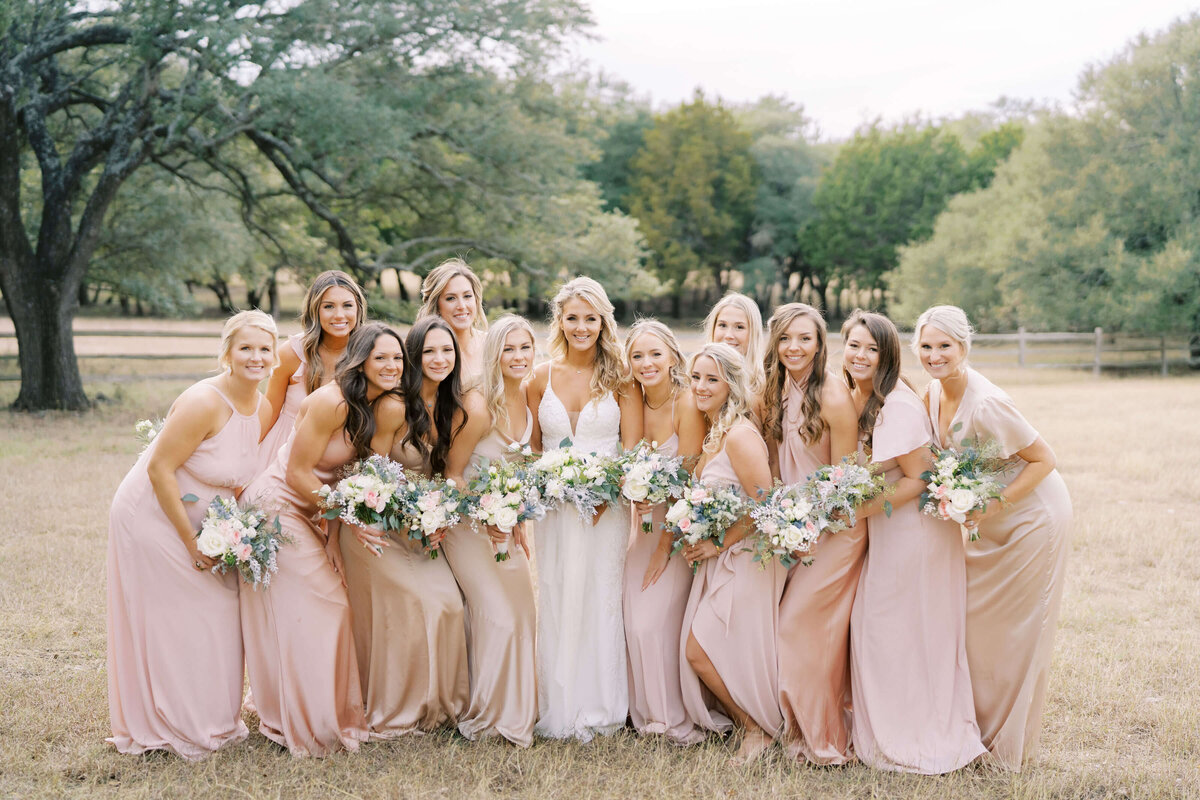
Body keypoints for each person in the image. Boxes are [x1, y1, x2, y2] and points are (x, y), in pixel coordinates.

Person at [107, 310, 277, 759]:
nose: (255, 357)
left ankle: (215, 720)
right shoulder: (204, 401)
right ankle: (170, 723)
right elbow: (161, 469)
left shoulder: (262, 407)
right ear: (227, 353)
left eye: (264, 349)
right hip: (153, 517)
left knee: (221, 610)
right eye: (245, 348)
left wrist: (236, 531)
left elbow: (237, 477)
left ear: (275, 357)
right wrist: (191, 542)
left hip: (210, 524)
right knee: (180, 616)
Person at [915, 305, 1072, 771]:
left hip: (1032, 520)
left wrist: (991, 506)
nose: (934, 355)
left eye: (945, 346)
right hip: (985, 522)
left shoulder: (986, 402)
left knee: (1016, 636)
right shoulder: (931, 392)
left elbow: (1045, 459)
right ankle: (973, 732)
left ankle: (1007, 748)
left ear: (964, 346)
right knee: (977, 629)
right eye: (926, 346)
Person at [240, 323, 405, 755]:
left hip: (317, 508)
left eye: (398, 359)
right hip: (277, 504)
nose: (391, 366)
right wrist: (347, 516)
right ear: (362, 360)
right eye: (381, 357)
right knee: (326, 604)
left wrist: (335, 532)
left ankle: (322, 709)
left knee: (330, 602)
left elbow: (357, 478)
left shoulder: (382, 406)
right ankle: (313, 721)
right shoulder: (332, 401)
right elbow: (297, 473)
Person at [841, 310, 985, 774]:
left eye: (872, 348)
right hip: (890, 527)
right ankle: (886, 726)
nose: (861, 356)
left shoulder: (896, 405)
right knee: (884, 630)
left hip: (914, 532)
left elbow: (919, 478)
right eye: (854, 345)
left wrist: (854, 510)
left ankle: (917, 735)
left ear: (887, 356)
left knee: (899, 630)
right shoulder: (856, 396)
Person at [526, 276, 642, 740]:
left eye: (590, 318)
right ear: (560, 321)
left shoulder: (620, 378)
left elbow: (631, 452)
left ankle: (602, 705)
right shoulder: (539, 376)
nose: (581, 327)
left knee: (599, 595)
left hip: (605, 509)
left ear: (603, 321)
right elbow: (532, 452)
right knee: (556, 592)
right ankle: (558, 702)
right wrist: (545, 488)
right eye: (572, 318)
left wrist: (604, 492)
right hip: (554, 510)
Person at [760, 303, 863, 765]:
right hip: (792, 527)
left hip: (836, 531)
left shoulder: (833, 396)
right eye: (785, 338)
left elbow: (843, 485)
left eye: (804, 338)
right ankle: (795, 728)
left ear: (820, 344)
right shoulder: (775, 390)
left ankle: (820, 737)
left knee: (798, 627)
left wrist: (810, 529)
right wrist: (785, 523)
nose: (794, 347)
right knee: (795, 629)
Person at [679, 343, 786, 765]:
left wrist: (717, 542)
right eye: (696, 378)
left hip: (747, 556)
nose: (701, 387)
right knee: (712, 648)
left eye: (712, 379)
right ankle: (750, 723)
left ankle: (755, 729)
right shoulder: (714, 432)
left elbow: (766, 504)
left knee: (697, 651)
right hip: (722, 556)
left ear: (732, 384)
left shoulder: (740, 435)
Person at [438, 314, 539, 746]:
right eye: (509, 349)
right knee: (496, 612)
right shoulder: (478, 405)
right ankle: (488, 714)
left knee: (523, 611)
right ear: (494, 355)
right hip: (467, 524)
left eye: (525, 348)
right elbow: (452, 475)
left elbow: (522, 470)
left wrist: (512, 516)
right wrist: (485, 514)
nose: (518, 357)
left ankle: (516, 710)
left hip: (502, 523)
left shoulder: (529, 398)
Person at [621, 319, 707, 746]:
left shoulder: (686, 403)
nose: (647, 363)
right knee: (632, 619)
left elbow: (690, 481)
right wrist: (631, 490)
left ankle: (669, 717)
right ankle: (643, 713)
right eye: (637, 355)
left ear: (674, 355)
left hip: (677, 531)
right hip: (644, 528)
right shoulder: (633, 398)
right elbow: (629, 460)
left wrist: (663, 549)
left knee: (652, 623)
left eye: (655, 353)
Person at [257, 271, 367, 474]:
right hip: (284, 456)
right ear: (314, 310)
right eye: (328, 306)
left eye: (347, 305)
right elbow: (268, 413)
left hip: (340, 463)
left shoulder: (369, 354)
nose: (339, 315)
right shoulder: (291, 353)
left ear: (359, 308)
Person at [417, 258, 488, 385]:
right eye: (451, 298)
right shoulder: (421, 350)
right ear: (437, 306)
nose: (461, 305)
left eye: (467, 296)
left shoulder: (492, 345)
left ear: (476, 300)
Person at [702, 292, 766, 422]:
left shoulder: (763, 387)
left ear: (753, 333)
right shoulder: (695, 380)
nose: (729, 335)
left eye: (739, 327)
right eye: (722, 325)